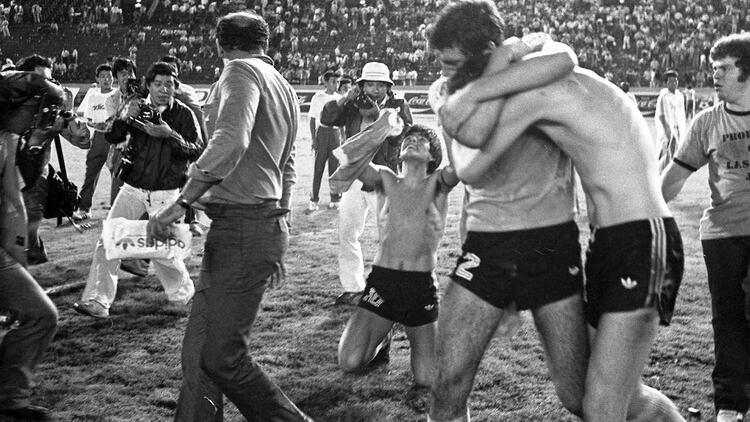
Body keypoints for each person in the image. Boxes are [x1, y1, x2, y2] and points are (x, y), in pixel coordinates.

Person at [436, 4, 685, 420]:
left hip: (644, 239)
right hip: (609, 242)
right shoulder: (539, 68)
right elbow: (561, 55)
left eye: (456, 67)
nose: (448, 76)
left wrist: (468, 95)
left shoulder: (534, 89)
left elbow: (473, 158)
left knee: (602, 406)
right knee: (610, 397)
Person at [146, 11, 312, 421]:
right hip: (258, 223)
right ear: (265, 42)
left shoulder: (239, 71)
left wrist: (180, 203)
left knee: (221, 357)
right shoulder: (284, 86)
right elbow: (287, 165)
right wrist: (280, 226)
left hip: (244, 225)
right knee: (199, 351)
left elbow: (231, 140)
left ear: (219, 44)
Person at [661, 33, 750, 422]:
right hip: (722, 235)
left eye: (724, 68)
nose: (714, 75)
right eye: (713, 68)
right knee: (727, 319)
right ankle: (730, 406)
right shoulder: (707, 122)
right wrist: (644, 211)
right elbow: (674, 177)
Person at [72, 61, 204, 319]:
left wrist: (170, 134)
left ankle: (185, 294)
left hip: (166, 192)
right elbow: (112, 137)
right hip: (133, 187)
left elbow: (197, 150)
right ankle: (99, 301)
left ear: (176, 86)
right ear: (149, 85)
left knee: (164, 250)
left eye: (169, 84)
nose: (164, 89)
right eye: (158, 84)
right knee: (107, 240)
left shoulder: (185, 114)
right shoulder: (137, 108)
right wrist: (124, 115)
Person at [337, 124, 458, 386]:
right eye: (408, 139)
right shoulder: (385, 178)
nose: (412, 141)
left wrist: (447, 128)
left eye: (421, 140)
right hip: (383, 284)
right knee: (350, 361)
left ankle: (428, 335)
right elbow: (347, 157)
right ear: (399, 151)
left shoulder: (437, 184)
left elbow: (460, 168)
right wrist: (380, 127)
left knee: (428, 378)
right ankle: (383, 337)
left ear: (432, 156)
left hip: (419, 288)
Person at [0, 71, 75, 420]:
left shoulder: (8, 137)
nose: (40, 117)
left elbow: (16, 191)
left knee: (41, 314)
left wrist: (16, 252)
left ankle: (11, 400)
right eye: (38, 109)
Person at [320, 61, 413, 306]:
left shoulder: (398, 105)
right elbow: (327, 118)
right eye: (370, 84)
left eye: (380, 84)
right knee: (347, 233)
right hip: (354, 177)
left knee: (390, 236)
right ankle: (353, 288)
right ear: (362, 86)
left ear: (388, 86)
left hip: (385, 178)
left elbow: (409, 135)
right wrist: (343, 99)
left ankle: (396, 289)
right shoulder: (352, 105)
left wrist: (393, 128)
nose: (375, 89)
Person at [15, 54, 90, 265]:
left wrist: (75, 122)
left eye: (49, 80)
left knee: (29, 220)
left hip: (34, 175)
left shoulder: (53, 109)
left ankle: (30, 254)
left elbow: (82, 142)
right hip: (8, 172)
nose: (45, 86)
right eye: (39, 80)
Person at [160, 54, 208, 237]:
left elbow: (198, 117)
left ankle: (192, 220)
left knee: (186, 179)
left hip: (186, 142)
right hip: (164, 142)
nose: (170, 71)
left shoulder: (188, 90)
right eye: (166, 67)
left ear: (178, 71)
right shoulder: (157, 89)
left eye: (173, 68)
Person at [73, 63, 115, 222]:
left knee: (117, 176)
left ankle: (116, 210)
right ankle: (84, 208)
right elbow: (89, 120)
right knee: (90, 173)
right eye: (103, 77)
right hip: (98, 138)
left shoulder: (118, 95)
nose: (106, 80)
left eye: (109, 77)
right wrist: (96, 125)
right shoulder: (93, 97)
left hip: (114, 138)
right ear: (97, 79)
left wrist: (110, 125)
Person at [307, 70, 343, 212]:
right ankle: (314, 199)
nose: (336, 84)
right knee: (319, 167)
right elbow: (312, 119)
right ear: (325, 82)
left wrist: (343, 138)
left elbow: (342, 122)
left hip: (335, 133)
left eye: (338, 82)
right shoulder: (318, 97)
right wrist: (314, 139)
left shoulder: (340, 98)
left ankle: (335, 198)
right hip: (322, 133)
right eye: (333, 81)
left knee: (334, 169)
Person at [656, 70, 687, 172]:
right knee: (665, 152)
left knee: (676, 154)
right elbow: (661, 115)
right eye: (670, 81)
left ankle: (670, 175)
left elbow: (681, 114)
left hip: (678, 128)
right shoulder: (663, 96)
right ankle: (658, 173)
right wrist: (667, 130)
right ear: (666, 83)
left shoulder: (680, 96)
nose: (673, 83)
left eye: (675, 81)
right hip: (668, 129)